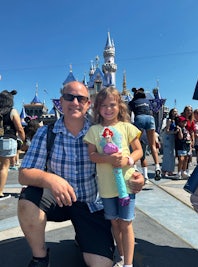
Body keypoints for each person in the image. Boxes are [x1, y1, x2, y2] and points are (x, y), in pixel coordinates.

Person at [17, 81, 145, 267]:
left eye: (81, 98)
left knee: (101, 264)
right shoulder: (47, 133)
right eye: (69, 97)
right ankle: (40, 257)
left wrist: (136, 176)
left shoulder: (99, 132)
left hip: (89, 204)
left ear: (88, 104)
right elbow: (24, 174)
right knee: (28, 200)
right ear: (60, 101)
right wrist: (51, 179)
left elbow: (121, 157)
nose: (75, 102)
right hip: (57, 200)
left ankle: (83, 234)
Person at [84, 87, 143, 267]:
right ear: (97, 108)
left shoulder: (127, 127)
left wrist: (128, 160)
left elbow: (139, 150)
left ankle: (128, 264)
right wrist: (108, 159)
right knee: (115, 223)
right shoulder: (94, 130)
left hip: (126, 185)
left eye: (112, 105)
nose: (108, 109)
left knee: (125, 223)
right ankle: (123, 254)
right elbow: (92, 155)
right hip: (107, 187)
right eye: (103, 106)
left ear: (120, 106)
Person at [128, 88, 161, 180]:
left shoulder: (132, 102)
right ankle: (157, 166)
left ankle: (134, 167)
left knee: (134, 144)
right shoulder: (147, 101)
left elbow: (128, 115)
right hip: (150, 119)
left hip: (140, 118)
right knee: (152, 145)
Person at [0, 90, 25, 200]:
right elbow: (19, 128)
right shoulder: (12, 111)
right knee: (4, 167)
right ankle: (0, 192)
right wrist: (24, 140)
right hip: (7, 140)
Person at [161, 108, 179, 177]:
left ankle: (170, 170)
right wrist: (174, 132)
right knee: (167, 154)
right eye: (174, 111)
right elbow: (167, 130)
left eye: (176, 111)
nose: (176, 113)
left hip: (172, 138)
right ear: (171, 112)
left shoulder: (175, 121)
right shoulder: (169, 120)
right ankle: (164, 170)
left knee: (172, 155)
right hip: (168, 137)